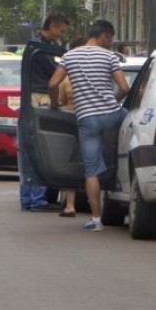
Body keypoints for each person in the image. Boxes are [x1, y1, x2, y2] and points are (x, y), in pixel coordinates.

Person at [48, 20, 129, 231]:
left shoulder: (69, 56)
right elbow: (124, 87)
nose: (110, 43)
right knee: (135, 132)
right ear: (103, 35)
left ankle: (96, 220)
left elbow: (53, 84)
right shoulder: (109, 57)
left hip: (87, 119)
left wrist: (55, 104)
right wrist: (113, 99)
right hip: (112, 114)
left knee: (91, 170)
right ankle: (125, 177)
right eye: (110, 38)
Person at [17, 12, 69, 212]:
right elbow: (54, 74)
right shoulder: (40, 49)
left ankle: (28, 199)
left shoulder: (33, 45)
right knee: (40, 147)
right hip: (39, 98)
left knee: (28, 149)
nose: (61, 34)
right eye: (61, 30)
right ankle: (37, 199)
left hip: (29, 99)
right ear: (54, 26)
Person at [55, 35, 87, 218]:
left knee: (71, 163)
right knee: (93, 163)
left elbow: (59, 101)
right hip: (96, 120)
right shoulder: (104, 68)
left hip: (72, 121)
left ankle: (70, 205)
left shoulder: (67, 78)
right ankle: (96, 208)